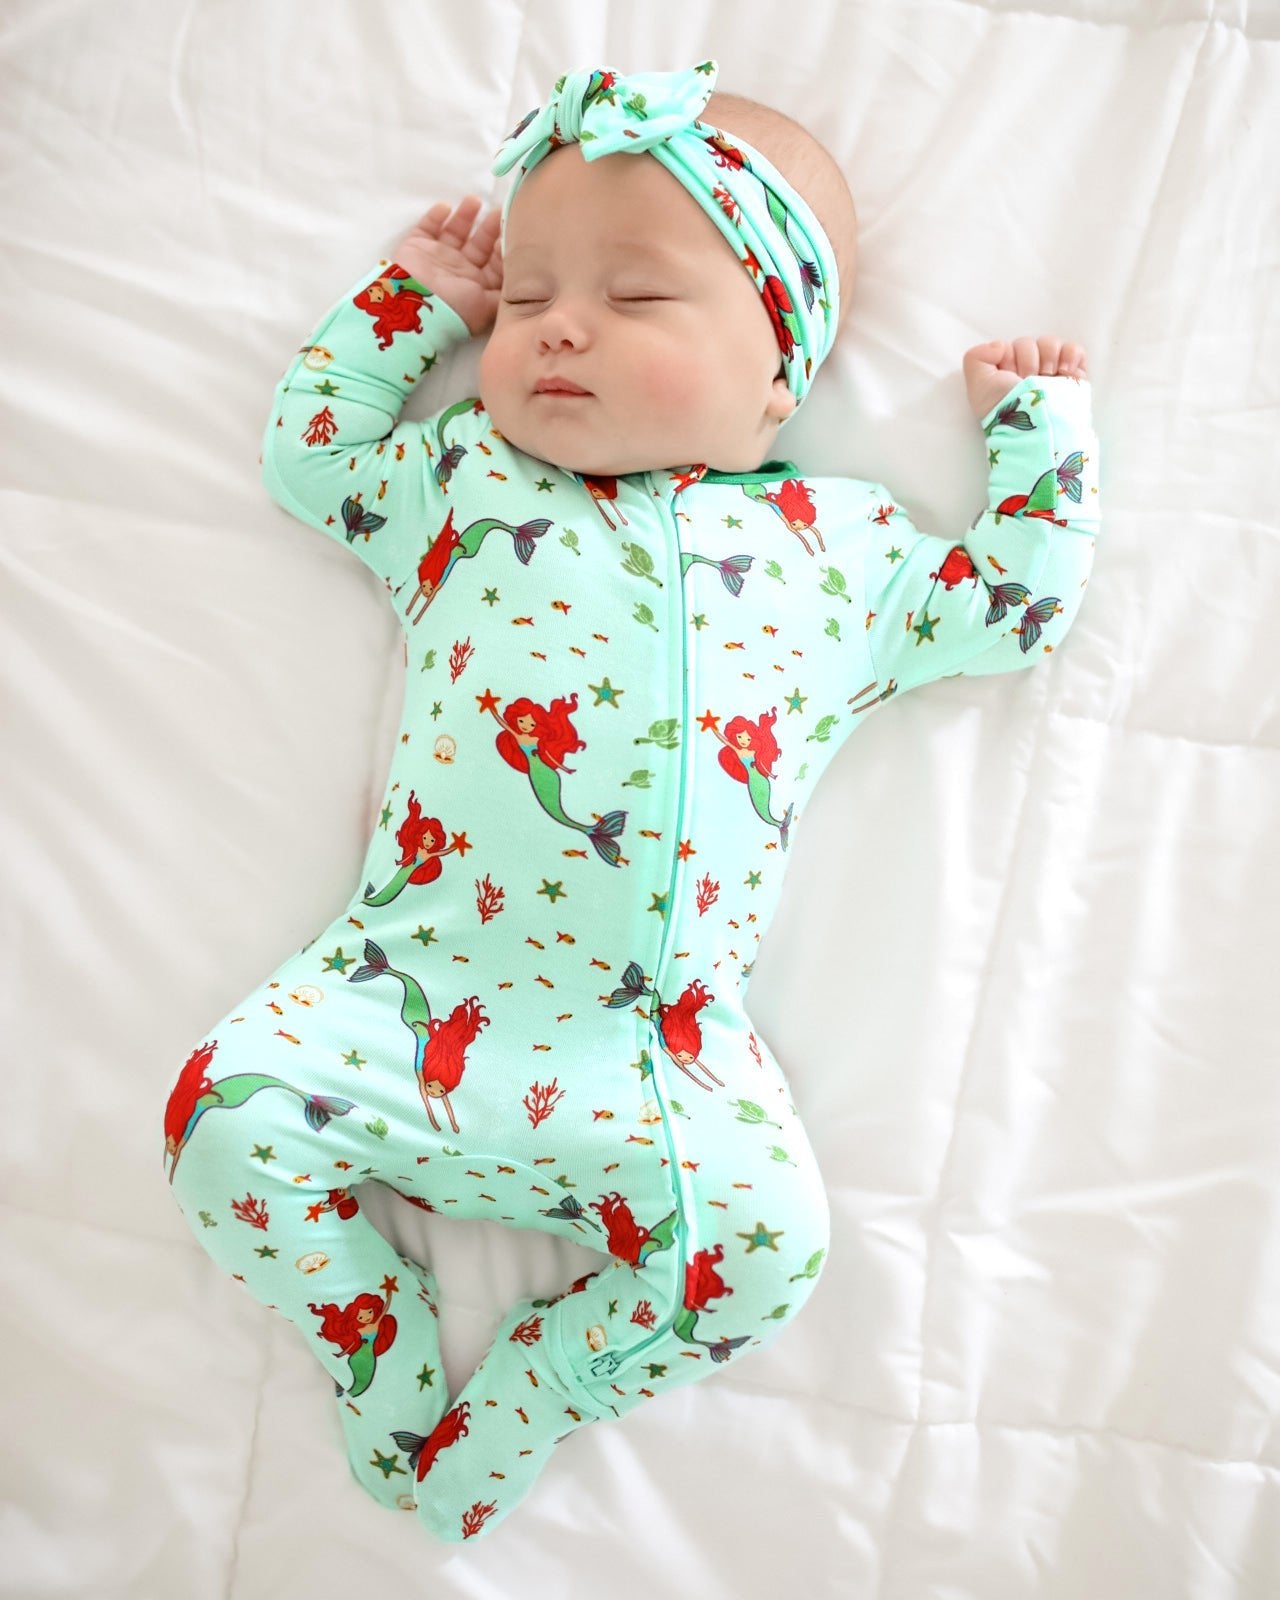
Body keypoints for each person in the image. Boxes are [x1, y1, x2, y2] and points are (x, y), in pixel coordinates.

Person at [161, 59, 1100, 1545]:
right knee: (220, 1121)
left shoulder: (843, 553)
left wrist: (1038, 438)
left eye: (638, 296)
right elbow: (315, 456)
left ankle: (538, 1386)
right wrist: (417, 306)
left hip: (653, 1060)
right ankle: (378, 1349)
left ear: (779, 374)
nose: (556, 326)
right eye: (529, 296)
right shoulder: (465, 482)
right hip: (394, 1000)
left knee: (769, 1251)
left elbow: (1011, 607)